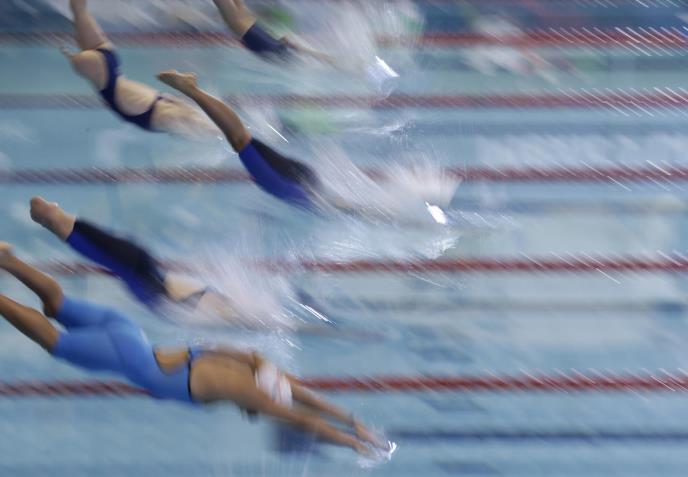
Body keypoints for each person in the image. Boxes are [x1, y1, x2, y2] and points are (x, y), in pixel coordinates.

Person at [0, 242, 388, 455]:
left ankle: (9, 261)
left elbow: (303, 397)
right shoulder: (244, 391)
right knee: (53, 341)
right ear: (263, 400)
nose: (256, 415)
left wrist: (352, 421)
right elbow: (300, 418)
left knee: (58, 305)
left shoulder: (254, 365)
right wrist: (350, 442)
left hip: (130, 332)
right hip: (127, 354)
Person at [30, 196, 240, 324]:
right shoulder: (75, 234)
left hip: (147, 281)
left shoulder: (77, 236)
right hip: (148, 282)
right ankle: (49, 216)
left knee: (119, 256)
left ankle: (49, 216)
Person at [157, 69, 338, 210]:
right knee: (240, 139)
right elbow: (334, 205)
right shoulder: (322, 205)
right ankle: (190, 89)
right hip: (289, 187)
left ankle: (191, 92)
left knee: (241, 139)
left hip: (298, 184)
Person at [62, 0, 218, 136]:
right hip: (104, 64)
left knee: (79, 8)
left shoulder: (168, 115)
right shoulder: (166, 116)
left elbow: (201, 123)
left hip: (106, 64)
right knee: (79, 8)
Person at [211, 0, 333, 64]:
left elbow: (290, 44)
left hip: (255, 31)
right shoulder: (288, 57)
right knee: (229, 10)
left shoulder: (289, 54)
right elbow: (293, 46)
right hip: (250, 32)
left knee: (235, 9)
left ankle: (328, 60)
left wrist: (327, 59)